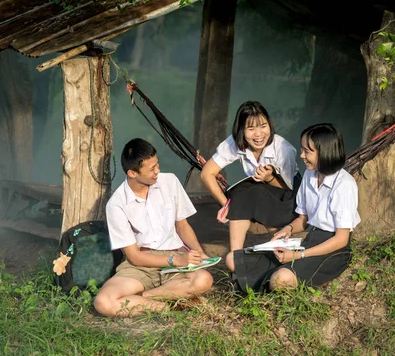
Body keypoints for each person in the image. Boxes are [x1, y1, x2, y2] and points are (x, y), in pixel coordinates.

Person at [233, 123, 360, 291]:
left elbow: (341, 239)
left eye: (308, 151)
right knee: (232, 259)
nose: (302, 155)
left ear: (325, 152)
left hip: (333, 251)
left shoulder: (344, 184)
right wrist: (288, 229)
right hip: (309, 241)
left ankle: (274, 279)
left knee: (280, 279)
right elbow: (303, 219)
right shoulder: (310, 174)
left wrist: (298, 255)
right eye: (302, 149)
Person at [94, 138, 214, 317]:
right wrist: (173, 260)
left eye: (157, 164)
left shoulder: (170, 181)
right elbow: (134, 256)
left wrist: (199, 253)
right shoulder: (116, 204)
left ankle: (144, 297)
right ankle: (169, 307)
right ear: (132, 173)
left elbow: (182, 226)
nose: (157, 171)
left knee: (204, 280)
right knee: (103, 302)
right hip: (141, 264)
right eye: (151, 169)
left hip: (176, 256)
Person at [200, 101, 300, 272]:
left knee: (247, 192)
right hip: (259, 193)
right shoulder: (234, 143)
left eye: (263, 126)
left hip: (289, 198)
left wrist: (270, 178)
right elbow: (206, 174)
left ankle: (283, 253)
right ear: (241, 130)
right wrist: (226, 206)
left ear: (270, 125)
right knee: (240, 194)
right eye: (251, 128)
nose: (259, 134)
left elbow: (289, 189)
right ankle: (236, 257)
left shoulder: (283, 149)